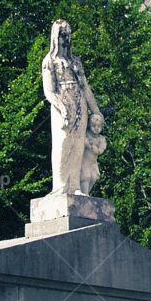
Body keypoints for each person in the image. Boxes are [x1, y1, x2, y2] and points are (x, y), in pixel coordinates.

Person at [41, 20, 103, 195]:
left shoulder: (75, 61)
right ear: (55, 36)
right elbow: (49, 91)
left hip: (79, 103)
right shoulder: (50, 61)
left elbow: (85, 87)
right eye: (62, 34)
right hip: (61, 103)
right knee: (63, 144)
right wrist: (62, 106)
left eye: (67, 35)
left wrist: (96, 110)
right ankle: (60, 186)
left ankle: (74, 186)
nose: (65, 39)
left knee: (77, 145)